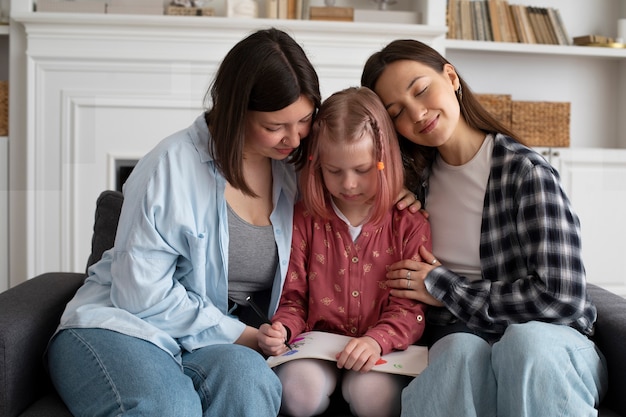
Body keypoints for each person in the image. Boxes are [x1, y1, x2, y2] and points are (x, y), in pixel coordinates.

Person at [46, 28, 419, 417]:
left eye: (305, 120)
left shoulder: (295, 171)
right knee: (168, 406)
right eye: (275, 126)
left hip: (211, 344)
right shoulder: (170, 166)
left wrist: (399, 193)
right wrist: (243, 335)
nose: (294, 137)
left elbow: (359, 178)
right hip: (124, 327)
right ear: (235, 110)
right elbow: (139, 295)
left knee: (252, 383)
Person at [361, 39, 608, 417]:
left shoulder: (524, 172)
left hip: (549, 346)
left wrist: (445, 288)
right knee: (458, 352)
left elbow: (562, 298)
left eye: (421, 90)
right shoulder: (415, 187)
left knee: (525, 345)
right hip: (462, 339)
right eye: (397, 112)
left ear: (450, 76)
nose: (417, 113)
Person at [257, 87, 431, 417]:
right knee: (298, 392)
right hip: (315, 346)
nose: (348, 184)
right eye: (334, 171)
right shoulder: (303, 217)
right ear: (316, 164)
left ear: (384, 161)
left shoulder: (408, 223)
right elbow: (292, 297)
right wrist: (282, 329)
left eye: (362, 170)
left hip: (382, 348)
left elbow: (410, 307)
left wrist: (376, 341)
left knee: (374, 397)